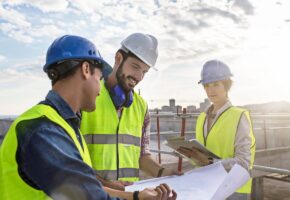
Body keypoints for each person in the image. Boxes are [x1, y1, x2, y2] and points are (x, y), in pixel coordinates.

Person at [0, 35, 177, 200]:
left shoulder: (63, 123)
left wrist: (137, 194)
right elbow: (85, 193)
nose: (99, 89)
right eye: (99, 76)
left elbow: (81, 184)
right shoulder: (44, 129)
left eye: (144, 72)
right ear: (86, 69)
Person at [80, 33, 180, 191]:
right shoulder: (86, 96)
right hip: (92, 193)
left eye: (145, 72)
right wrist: (104, 184)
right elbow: (70, 158)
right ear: (118, 58)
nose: (139, 76)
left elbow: (142, 155)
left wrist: (163, 172)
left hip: (131, 194)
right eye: (135, 67)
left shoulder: (141, 107)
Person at [177, 60, 256, 200]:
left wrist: (210, 162)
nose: (210, 90)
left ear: (226, 85)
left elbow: (244, 162)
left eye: (216, 84)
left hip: (232, 190)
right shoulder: (202, 118)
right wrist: (192, 155)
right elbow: (201, 159)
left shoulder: (239, 116)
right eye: (206, 85)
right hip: (206, 187)